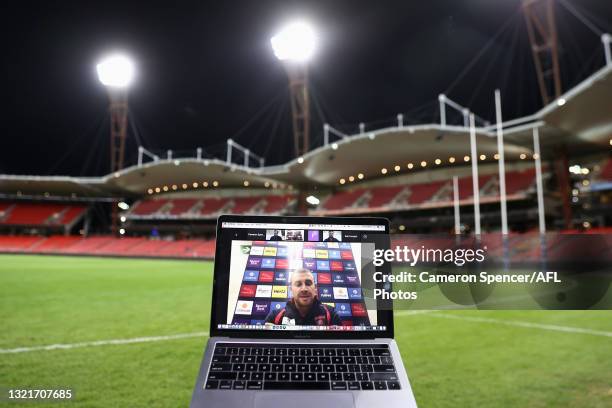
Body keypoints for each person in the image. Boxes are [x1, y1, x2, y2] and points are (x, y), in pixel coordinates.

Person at [265, 269, 342, 326]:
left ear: (315, 288)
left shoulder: (331, 315)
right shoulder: (274, 317)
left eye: (308, 283)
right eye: (298, 284)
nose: (304, 289)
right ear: (291, 289)